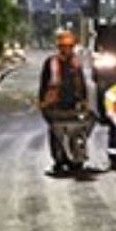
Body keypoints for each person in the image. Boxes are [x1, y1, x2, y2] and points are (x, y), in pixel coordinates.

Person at [38, 30, 95, 175]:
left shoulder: (76, 63)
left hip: (73, 105)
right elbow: (44, 83)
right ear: (59, 47)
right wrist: (42, 102)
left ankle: (76, 160)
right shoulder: (51, 62)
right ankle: (59, 161)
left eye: (69, 46)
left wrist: (84, 101)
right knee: (57, 135)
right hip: (55, 105)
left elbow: (81, 83)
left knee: (77, 132)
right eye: (64, 46)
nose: (67, 49)